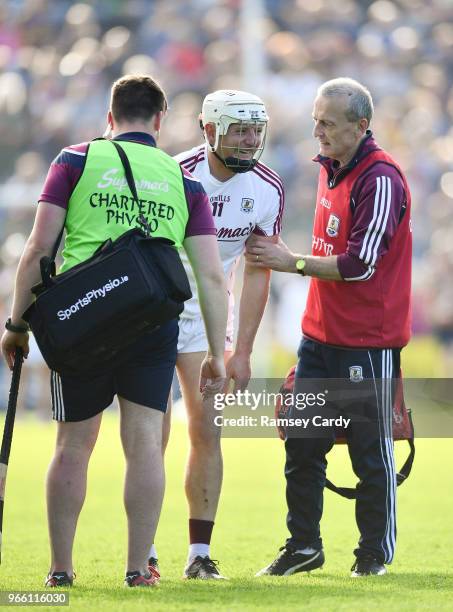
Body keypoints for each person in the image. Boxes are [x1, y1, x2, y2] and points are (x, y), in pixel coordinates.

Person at [0, 75, 228, 588]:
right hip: (152, 324)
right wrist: (217, 351)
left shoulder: (75, 161)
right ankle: (136, 569)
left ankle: (60, 571)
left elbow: (38, 251)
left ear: (110, 116)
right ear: (159, 120)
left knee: (72, 445)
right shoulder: (183, 180)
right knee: (146, 442)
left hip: (83, 318)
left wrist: (16, 325)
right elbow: (212, 276)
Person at [248, 78, 412, 577]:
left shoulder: (380, 178)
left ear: (362, 126)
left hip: (366, 340)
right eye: (316, 120)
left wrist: (290, 262)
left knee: (369, 452)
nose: (316, 130)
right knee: (301, 444)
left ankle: (372, 556)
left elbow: (360, 264)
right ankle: (303, 546)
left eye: (328, 123)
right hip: (318, 336)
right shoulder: (331, 169)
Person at [148, 90, 284, 579]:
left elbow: (259, 270)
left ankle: (198, 555)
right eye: (239, 131)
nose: (250, 142)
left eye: (256, 131)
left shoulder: (268, 188)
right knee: (150, 435)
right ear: (209, 131)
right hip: (153, 314)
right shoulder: (172, 173)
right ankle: (145, 551)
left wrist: (242, 349)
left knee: (208, 431)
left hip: (207, 321)